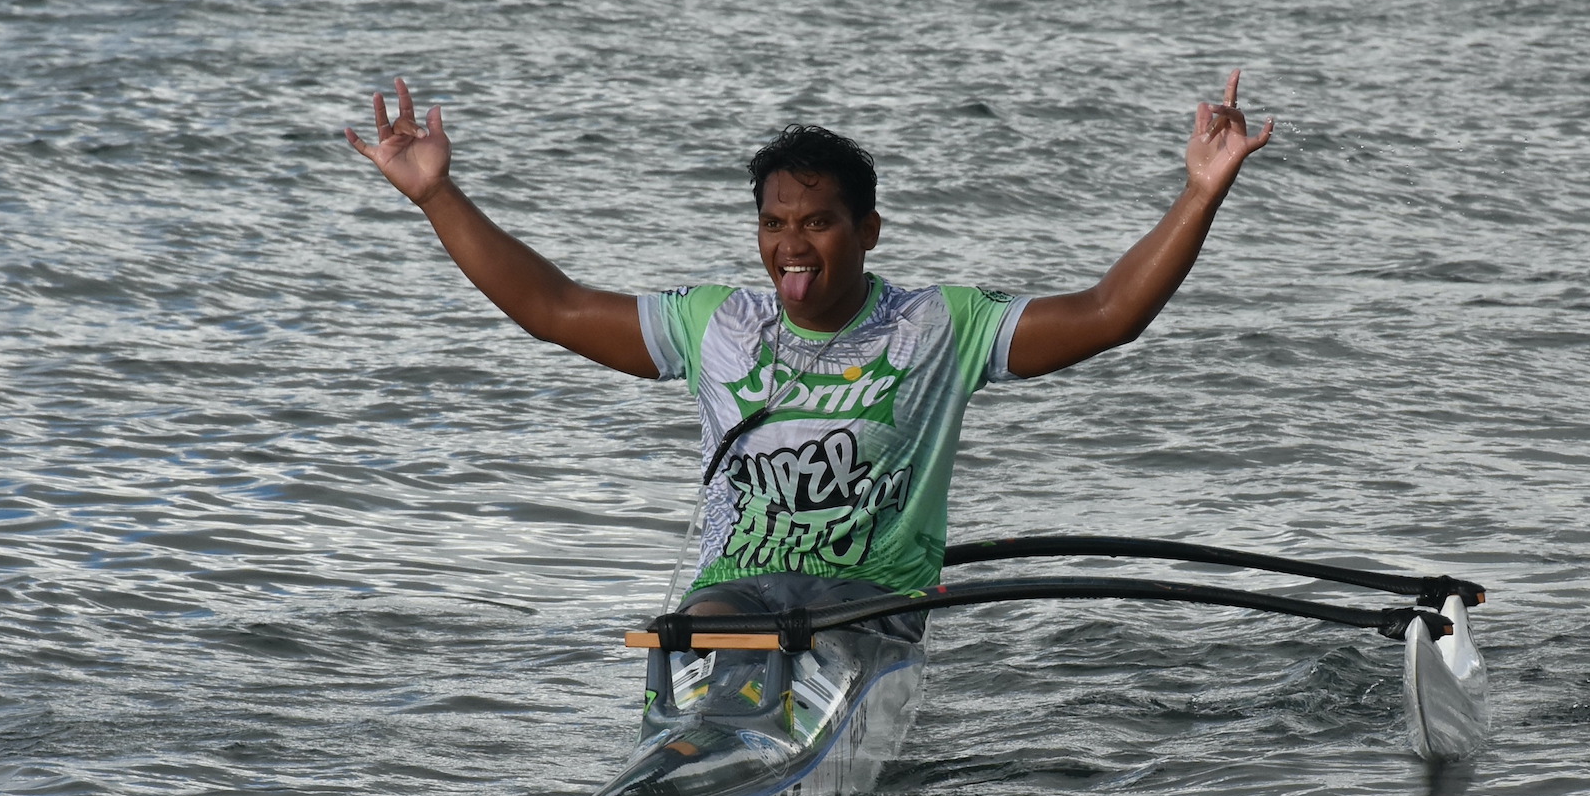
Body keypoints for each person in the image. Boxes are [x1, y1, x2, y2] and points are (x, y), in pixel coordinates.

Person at [344, 74, 1272, 633]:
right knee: (701, 631)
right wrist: (436, 196)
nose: (793, 244)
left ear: (867, 230)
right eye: (775, 224)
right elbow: (551, 307)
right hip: (736, 600)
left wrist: (1201, 192)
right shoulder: (717, 325)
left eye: (818, 222)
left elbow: (1111, 313)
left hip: (869, 604)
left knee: (801, 641)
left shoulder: (940, 327)